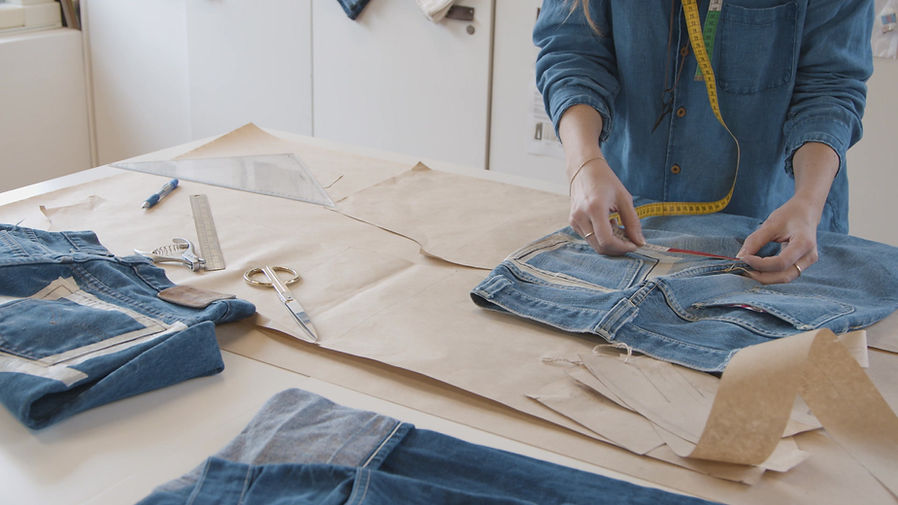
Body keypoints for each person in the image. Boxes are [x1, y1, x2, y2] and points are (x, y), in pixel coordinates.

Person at [534, 0, 873, 284]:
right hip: (626, 216)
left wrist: (808, 202)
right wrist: (583, 162)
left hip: (779, 229)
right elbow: (572, 54)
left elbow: (829, 87)